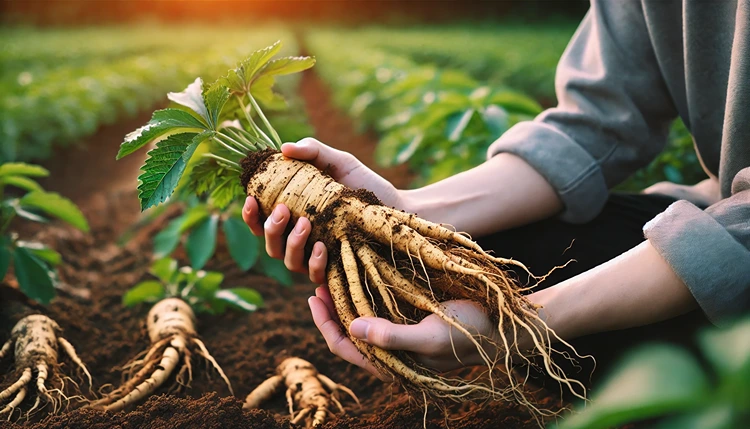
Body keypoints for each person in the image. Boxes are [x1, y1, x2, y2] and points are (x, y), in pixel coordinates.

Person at [243, 0, 750, 383]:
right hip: (717, 222)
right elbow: (594, 123)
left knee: (500, 294)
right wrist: (405, 207)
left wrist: (520, 327)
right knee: (476, 262)